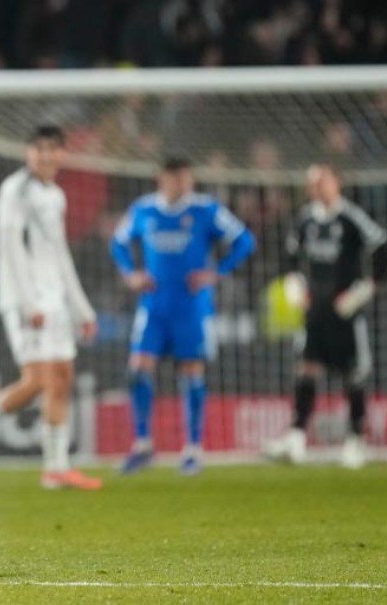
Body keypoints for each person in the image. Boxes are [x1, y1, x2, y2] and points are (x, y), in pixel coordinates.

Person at [0, 125, 101, 491]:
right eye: (39, 149)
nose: (46, 156)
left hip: (55, 299)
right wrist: (28, 301)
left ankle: (56, 467)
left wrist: (81, 308)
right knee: (36, 380)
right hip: (24, 300)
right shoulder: (14, 190)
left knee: (62, 377)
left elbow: (59, 253)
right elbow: (10, 247)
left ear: (63, 154)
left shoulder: (57, 195)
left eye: (52, 149)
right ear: (27, 152)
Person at [111, 157, 255, 476]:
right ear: (162, 179)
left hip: (191, 307)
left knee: (191, 373)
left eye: (187, 178)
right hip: (153, 307)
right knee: (137, 370)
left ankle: (192, 449)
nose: (184, 184)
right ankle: (143, 445)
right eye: (177, 178)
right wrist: (130, 274)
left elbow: (245, 240)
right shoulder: (143, 209)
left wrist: (217, 273)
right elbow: (118, 243)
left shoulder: (206, 209)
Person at [263, 164, 387, 469]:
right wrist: (295, 283)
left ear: (337, 183)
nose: (317, 187)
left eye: (322, 181)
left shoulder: (351, 217)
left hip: (345, 309)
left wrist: (366, 287)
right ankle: (295, 440)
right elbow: (290, 256)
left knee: (353, 374)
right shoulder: (305, 218)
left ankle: (356, 440)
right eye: (312, 183)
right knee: (307, 369)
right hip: (315, 309)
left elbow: (384, 248)